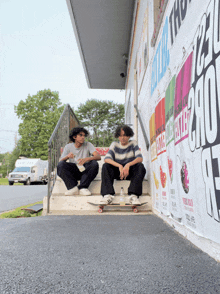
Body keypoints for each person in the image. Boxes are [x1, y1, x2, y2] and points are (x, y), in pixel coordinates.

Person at [100, 125, 146, 205]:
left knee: (140, 166)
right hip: (118, 172)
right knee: (106, 166)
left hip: (129, 172)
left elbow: (140, 158)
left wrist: (127, 165)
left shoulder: (133, 143)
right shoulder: (114, 144)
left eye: (125, 135)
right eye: (120, 136)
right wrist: (120, 166)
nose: (122, 138)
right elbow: (107, 159)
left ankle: (133, 196)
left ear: (129, 136)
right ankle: (108, 195)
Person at [57, 127, 101, 196]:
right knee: (61, 164)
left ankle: (83, 187)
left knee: (94, 163)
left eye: (84, 135)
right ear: (74, 137)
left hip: (85, 171)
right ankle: (72, 188)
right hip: (74, 171)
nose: (83, 137)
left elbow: (98, 157)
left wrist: (87, 159)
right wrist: (67, 156)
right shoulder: (68, 146)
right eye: (80, 135)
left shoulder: (88, 144)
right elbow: (60, 161)